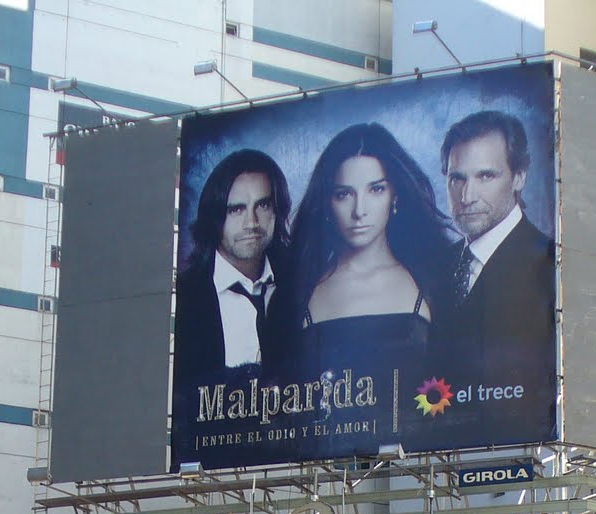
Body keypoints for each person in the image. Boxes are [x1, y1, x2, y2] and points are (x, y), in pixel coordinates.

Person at [280, 122, 451, 387]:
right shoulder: (295, 292)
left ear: (395, 195)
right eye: (344, 194)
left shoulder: (434, 280)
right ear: (327, 201)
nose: (359, 210)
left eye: (376, 189)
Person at [436, 109, 555, 392]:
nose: (467, 197)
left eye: (486, 176)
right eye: (457, 179)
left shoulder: (551, 264)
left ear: (519, 178)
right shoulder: (438, 264)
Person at [174, 148, 292, 381]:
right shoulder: (186, 295)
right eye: (236, 209)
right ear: (214, 217)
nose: (251, 222)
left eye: (263, 205)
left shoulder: (298, 282)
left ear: (277, 211)